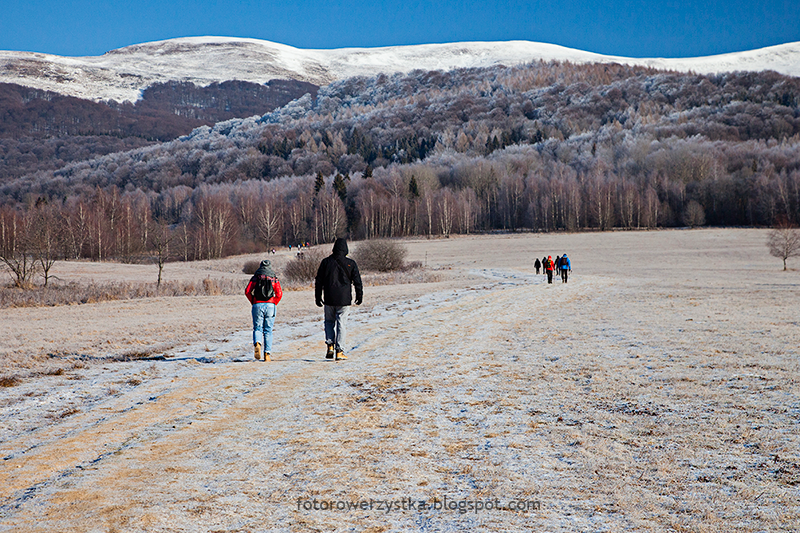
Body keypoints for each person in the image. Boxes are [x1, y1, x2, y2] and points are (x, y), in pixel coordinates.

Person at [315, 238, 363, 361]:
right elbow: (357, 281)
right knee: (341, 323)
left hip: (329, 298)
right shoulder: (351, 263)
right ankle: (340, 351)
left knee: (329, 322)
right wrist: (359, 296)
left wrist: (318, 297)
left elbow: (319, 281)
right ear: (346, 249)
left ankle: (330, 345)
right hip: (344, 299)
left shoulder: (325, 262)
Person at [245, 259, 283, 361]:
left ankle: (257, 343)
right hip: (270, 305)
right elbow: (279, 293)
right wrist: (274, 303)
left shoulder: (255, 277)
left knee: (257, 328)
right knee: (268, 330)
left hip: (257, 304)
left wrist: (253, 301)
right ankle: (267, 354)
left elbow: (247, 291)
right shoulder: (274, 277)